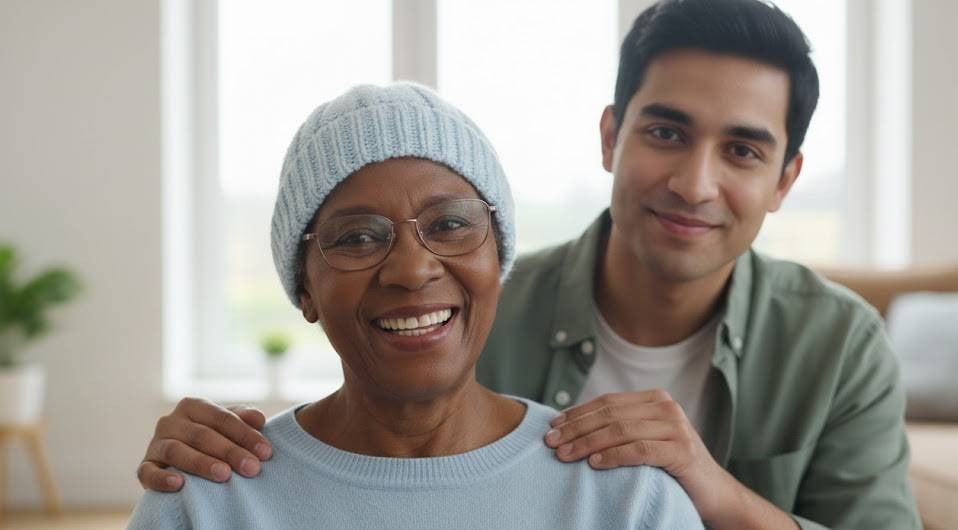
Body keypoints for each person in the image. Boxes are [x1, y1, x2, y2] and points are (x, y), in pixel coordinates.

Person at [135, 1, 921, 529]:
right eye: (667, 133)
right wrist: (215, 461)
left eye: (743, 150)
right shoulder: (477, 301)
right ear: (611, 136)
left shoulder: (839, 344)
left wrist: (709, 489)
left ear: (786, 179)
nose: (694, 183)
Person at [127, 82, 703, 529]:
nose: (411, 270)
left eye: (450, 224)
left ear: (497, 260)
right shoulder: (207, 503)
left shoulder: (625, 499)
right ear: (303, 287)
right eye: (356, 237)